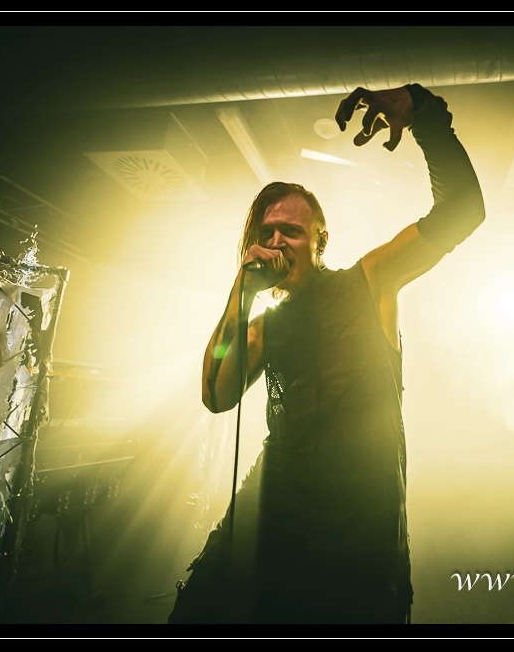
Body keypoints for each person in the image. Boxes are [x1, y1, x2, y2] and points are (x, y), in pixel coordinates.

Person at [167, 84, 485, 624]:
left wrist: (425, 112)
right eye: (267, 232)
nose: (276, 241)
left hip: (359, 535)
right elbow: (216, 395)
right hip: (275, 516)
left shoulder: (369, 281)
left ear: (320, 241)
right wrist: (240, 292)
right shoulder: (263, 326)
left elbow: (464, 209)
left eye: (291, 231)